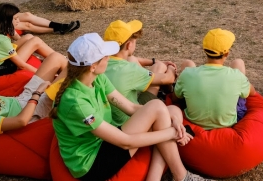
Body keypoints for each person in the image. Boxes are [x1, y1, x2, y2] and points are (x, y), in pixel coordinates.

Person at [51, 33, 208, 181]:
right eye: (105, 56)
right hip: (92, 163)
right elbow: (125, 142)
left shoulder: (97, 78)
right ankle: (182, 176)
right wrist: (172, 132)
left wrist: (168, 117)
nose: (108, 58)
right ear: (92, 66)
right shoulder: (75, 101)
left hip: (105, 141)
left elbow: (131, 108)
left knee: (171, 110)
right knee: (158, 107)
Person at [175, 28, 255, 130]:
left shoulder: (187, 74)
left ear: (204, 50)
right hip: (228, 124)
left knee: (188, 63)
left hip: (194, 122)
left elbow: (176, 97)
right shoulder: (236, 76)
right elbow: (252, 93)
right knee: (238, 62)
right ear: (226, 54)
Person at [103, 19, 179, 126]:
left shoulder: (100, 63)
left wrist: (153, 61)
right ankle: (170, 93)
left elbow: (132, 58)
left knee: (138, 60)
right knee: (160, 67)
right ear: (129, 45)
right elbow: (169, 78)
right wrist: (171, 67)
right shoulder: (131, 69)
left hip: (111, 118)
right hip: (132, 118)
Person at [0, 3, 57, 75]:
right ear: (6, 21)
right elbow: (21, 66)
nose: (18, 21)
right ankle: (57, 59)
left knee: (29, 37)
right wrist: (43, 75)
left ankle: (55, 57)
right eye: (15, 18)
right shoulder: (0, 39)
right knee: (36, 41)